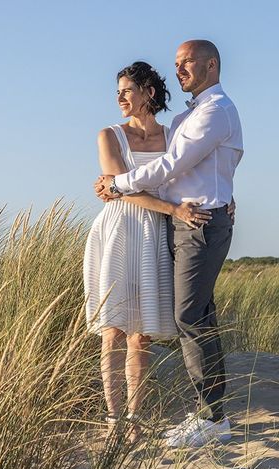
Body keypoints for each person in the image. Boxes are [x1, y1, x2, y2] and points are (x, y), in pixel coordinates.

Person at [95, 40, 243, 448]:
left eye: (187, 62)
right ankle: (204, 415)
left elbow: (172, 165)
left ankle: (212, 418)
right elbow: (215, 162)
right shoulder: (184, 118)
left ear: (211, 65)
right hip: (155, 228)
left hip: (190, 224)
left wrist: (118, 185)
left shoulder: (213, 111)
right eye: (176, 63)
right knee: (194, 317)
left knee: (188, 317)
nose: (179, 69)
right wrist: (222, 189)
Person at [84, 61, 213, 443]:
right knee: (113, 331)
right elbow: (122, 189)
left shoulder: (174, 135)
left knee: (141, 337)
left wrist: (222, 199)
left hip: (155, 236)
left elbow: (191, 173)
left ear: (149, 93)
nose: (120, 97)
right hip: (118, 232)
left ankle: (134, 419)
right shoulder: (109, 135)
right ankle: (113, 420)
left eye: (127, 90)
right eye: (118, 92)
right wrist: (171, 207)